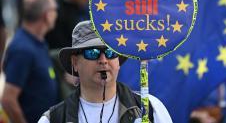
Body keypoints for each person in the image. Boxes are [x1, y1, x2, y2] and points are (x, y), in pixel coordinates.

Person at [38, 20, 173, 123]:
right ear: (75, 62)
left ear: (118, 61)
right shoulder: (54, 119)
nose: (103, 60)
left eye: (110, 52)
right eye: (92, 52)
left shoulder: (150, 108)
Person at [1, 0, 59, 123]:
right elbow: (8, 99)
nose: (56, 14)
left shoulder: (38, 42)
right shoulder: (23, 49)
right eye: (55, 10)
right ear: (47, 15)